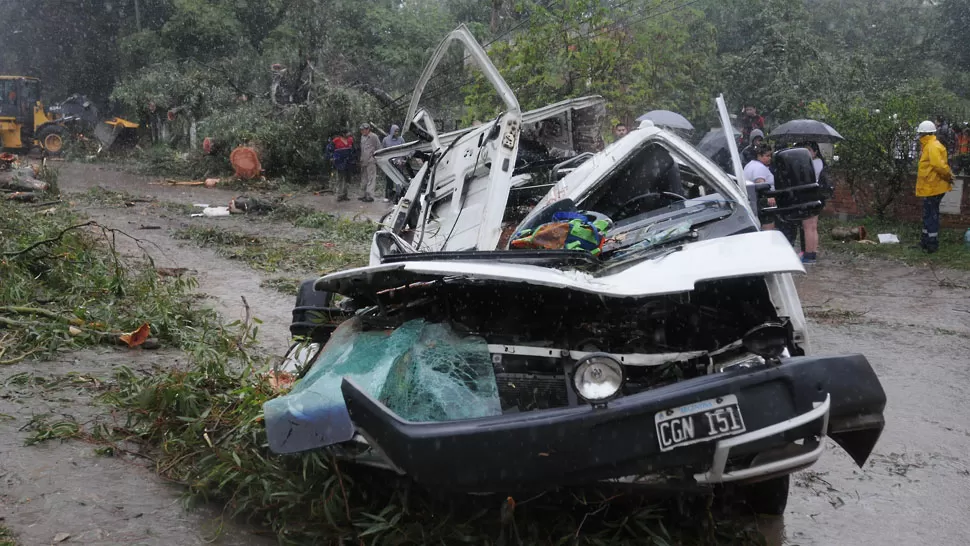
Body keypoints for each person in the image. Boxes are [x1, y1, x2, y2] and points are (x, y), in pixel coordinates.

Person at [915, 120, 953, 253]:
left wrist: (949, 176)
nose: (919, 136)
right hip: (932, 186)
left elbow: (940, 166)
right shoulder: (930, 145)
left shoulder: (932, 146)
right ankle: (926, 241)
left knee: (931, 215)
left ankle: (932, 244)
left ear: (924, 134)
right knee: (928, 214)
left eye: (920, 134)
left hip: (933, 187)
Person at [743, 143, 775, 230]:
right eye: (767, 155)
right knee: (768, 229)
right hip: (763, 203)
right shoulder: (759, 168)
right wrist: (769, 197)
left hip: (753, 202)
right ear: (759, 156)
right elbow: (761, 185)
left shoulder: (749, 165)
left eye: (770, 155)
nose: (770, 158)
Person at [326, 130, 355, 201]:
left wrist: (353, 159)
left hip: (348, 162)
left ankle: (345, 195)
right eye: (348, 133)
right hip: (339, 162)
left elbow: (353, 150)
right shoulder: (336, 140)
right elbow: (329, 149)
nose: (349, 134)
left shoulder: (350, 140)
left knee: (347, 179)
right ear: (343, 134)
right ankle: (339, 195)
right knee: (340, 178)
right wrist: (331, 158)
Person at [381, 124, 406, 202]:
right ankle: (388, 196)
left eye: (398, 131)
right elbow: (383, 151)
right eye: (395, 131)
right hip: (389, 163)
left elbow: (404, 150)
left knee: (399, 180)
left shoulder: (401, 140)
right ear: (392, 131)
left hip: (399, 163)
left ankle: (399, 196)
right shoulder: (386, 140)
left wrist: (402, 160)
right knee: (389, 180)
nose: (397, 133)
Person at [358, 123, 381, 202]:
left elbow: (379, 148)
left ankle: (369, 196)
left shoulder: (373, 137)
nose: (362, 131)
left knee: (371, 179)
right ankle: (362, 195)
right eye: (361, 130)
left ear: (368, 129)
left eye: (363, 130)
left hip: (371, 161)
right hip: (363, 160)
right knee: (364, 178)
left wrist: (374, 158)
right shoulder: (362, 137)